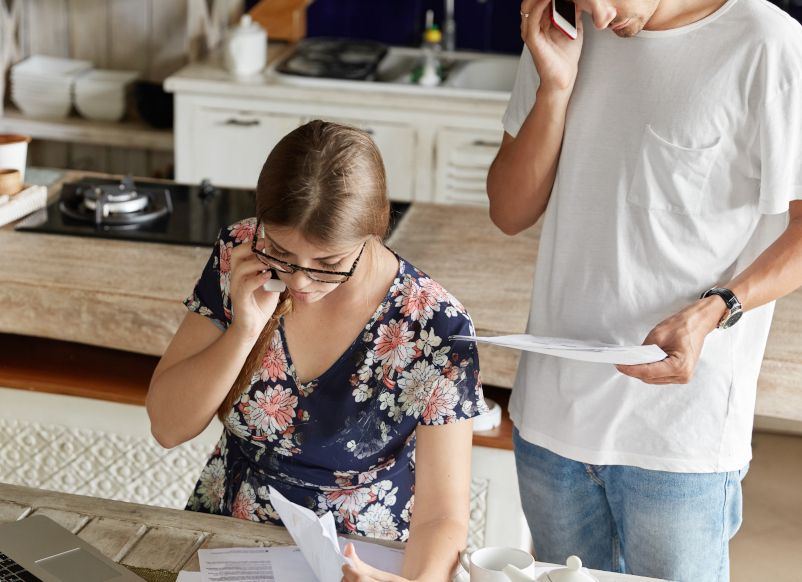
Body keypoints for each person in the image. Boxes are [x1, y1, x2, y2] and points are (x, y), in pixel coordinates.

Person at [486, 0, 802, 579]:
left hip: (678, 439)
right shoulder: (565, 31)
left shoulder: (768, 43)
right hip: (551, 423)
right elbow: (509, 211)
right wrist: (555, 89)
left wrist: (718, 308)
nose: (600, 18)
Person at [147, 120, 488, 582]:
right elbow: (168, 427)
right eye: (282, 252)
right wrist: (243, 331)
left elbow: (442, 517)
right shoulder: (241, 254)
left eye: (328, 263)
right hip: (230, 539)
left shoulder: (436, 326)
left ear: (374, 230)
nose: (299, 281)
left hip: (360, 558)